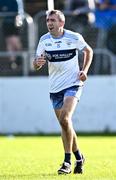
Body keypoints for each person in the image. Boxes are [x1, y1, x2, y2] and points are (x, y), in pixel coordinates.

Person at [33, 10, 93, 175]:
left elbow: (89, 51)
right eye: (47, 20)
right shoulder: (44, 40)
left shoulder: (74, 37)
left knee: (65, 118)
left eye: (52, 20)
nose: (49, 23)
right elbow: (36, 64)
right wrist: (37, 63)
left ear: (61, 23)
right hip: (54, 88)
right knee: (65, 124)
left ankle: (67, 161)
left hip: (73, 84)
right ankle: (79, 157)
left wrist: (84, 70)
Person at [0, 0, 24, 69]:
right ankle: (12, 62)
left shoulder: (16, 1)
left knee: (14, 41)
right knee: (9, 42)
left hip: (15, 23)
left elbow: (19, 12)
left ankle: (19, 58)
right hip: (6, 23)